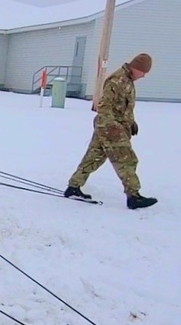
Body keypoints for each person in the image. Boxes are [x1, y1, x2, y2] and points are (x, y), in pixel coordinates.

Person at [64, 53, 157, 209]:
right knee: (127, 160)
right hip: (111, 128)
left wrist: (131, 122)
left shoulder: (127, 80)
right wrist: (113, 127)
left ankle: (73, 187)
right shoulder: (117, 80)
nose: (144, 76)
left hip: (108, 126)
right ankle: (134, 196)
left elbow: (123, 106)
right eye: (144, 72)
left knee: (93, 158)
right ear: (137, 68)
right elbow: (104, 106)